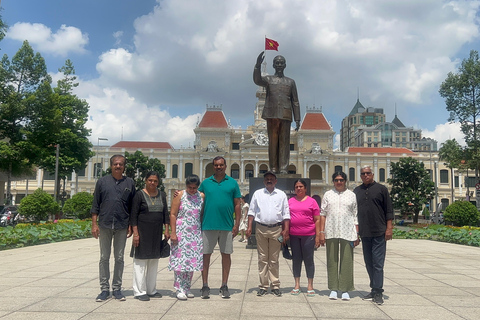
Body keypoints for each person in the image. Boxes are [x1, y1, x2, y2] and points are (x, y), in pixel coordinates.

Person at [91, 154, 136, 302]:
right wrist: (94, 224)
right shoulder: (102, 182)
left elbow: (133, 206)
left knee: (119, 258)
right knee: (104, 258)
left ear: (124, 167)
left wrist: (131, 225)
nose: (118, 166)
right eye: (115, 164)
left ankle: (117, 288)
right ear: (111, 165)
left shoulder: (129, 183)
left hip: (122, 225)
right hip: (104, 224)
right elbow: (95, 204)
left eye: (121, 164)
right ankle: (104, 289)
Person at [198, 156, 242, 299]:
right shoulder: (205, 183)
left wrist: (237, 224)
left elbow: (237, 204)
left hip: (226, 225)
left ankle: (224, 285)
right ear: (213, 166)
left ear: (225, 166)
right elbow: (195, 198)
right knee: (206, 255)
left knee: (226, 255)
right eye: (216, 165)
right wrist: (179, 194)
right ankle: (205, 285)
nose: (219, 167)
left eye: (221, 165)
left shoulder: (232, 183)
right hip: (208, 224)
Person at [253, 51, 301, 174]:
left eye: (281, 63)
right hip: (272, 114)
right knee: (273, 142)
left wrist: (298, 119)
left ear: (285, 65)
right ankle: (273, 167)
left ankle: (284, 168)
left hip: (286, 115)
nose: (279, 65)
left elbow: (295, 101)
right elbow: (257, 80)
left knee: (284, 143)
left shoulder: (291, 82)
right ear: (273, 65)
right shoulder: (269, 79)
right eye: (277, 63)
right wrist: (257, 66)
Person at [353, 165, 394, 305]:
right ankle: (373, 288)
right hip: (365, 233)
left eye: (368, 173)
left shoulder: (381, 189)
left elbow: (389, 210)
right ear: (360, 176)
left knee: (378, 263)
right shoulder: (357, 191)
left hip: (379, 231)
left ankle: (378, 291)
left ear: (372, 174)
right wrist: (355, 233)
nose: (366, 175)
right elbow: (354, 214)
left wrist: (389, 228)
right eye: (363, 173)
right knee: (368, 262)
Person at [246, 171, 290, 297]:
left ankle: (275, 285)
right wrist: (249, 227)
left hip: (276, 229)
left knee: (274, 258)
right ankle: (264, 286)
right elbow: (252, 211)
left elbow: (286, 213)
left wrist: (286, 230)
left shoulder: (281, 195)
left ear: (275, 181)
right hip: (261, 228)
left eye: (271, 179)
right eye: (267, 179)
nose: (269, 180)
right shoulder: (258, 194)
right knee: (263, 258)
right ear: (264, 181)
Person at [130, 171, 170, 301]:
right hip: (142, 233)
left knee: (153, 261)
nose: (152, 183)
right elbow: (133, 216)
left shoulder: (162, 195)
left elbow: (165, 214)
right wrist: (135, 234)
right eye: (150, 180)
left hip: (156, 233)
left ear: (158, 182)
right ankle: (139, 291)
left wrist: (167, 230)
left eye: (155, 181)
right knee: (140, 262)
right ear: (145, 181)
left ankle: (151, 289)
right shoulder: (139, 195)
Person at [319, 172, 359, 301]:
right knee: (332, 260)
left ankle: (345, 288)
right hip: (331, 230)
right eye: (336, 180)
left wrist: (357, 234)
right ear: (333, 181)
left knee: (347, 260)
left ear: (345, 181)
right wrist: (321, 232)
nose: (339, 182)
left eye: (341, 180)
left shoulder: (352, 195)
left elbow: (355, 215)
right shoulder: (328, 195)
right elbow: (323, 214)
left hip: (348, 231)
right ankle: (333, 288)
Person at [169, 175, 204, 300]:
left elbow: (201, 214)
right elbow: (173, 214)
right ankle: (179, 288)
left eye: (195, 188)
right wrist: (173, 232)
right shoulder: (180, 195)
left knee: (191, 261)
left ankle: (187, 287)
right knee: (180, 261)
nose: (192, 190)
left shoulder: (201, 196)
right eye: (190, 187)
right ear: (186, 186)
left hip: (194, 233)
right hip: (181, 232)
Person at [288, 179, 320, 297]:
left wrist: (318, 235)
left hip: (308, 235)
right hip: (294, 235)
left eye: (301, 186)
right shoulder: (290, 201)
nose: (299, 188)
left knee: (308, 259)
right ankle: (297, 284)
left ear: (305, 189)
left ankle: (310, 285)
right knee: (296, 259)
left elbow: (317, 219)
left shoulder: (312, 201)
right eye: (297, 187)